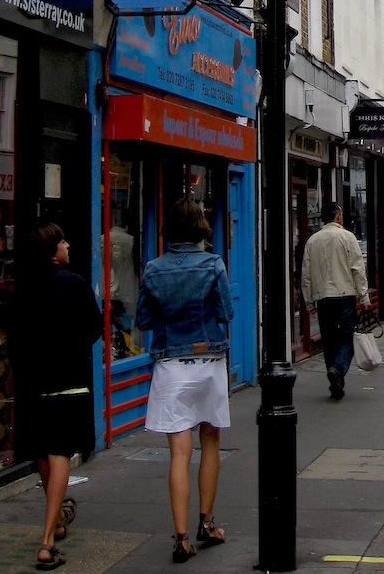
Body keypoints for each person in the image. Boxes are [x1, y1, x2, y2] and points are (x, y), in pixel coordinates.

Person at [136, 200, 233, 563]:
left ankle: (180, 538)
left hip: (171, 365)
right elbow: (226, 312)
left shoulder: (153, 269)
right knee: (210, 440)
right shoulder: (213, 264)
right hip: (208, 360)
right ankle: (206, 523)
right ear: (200, 229)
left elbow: (144, 321)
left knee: (179, 451)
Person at [15, 222, 103, 571]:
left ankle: (57, 520)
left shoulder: (24, 288)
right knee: (61, 453)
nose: (68, 245)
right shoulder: (75, 283)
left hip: (36, 382)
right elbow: (95, 327)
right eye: (64, 241)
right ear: (53, 250)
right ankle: (47, 541)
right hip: (69, 379)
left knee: (43, 453)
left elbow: (18, 334)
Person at [301, 202, 372, 401]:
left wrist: (308, 302)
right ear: (338, 216)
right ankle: (338, 369)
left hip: (323, 298)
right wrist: (364, 296)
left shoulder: (312, 241)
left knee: (329, 339)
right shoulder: (348, 237)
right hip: (345, 295)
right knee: (349, 334)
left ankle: (335, 381)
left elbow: (306, 275)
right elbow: (358, 269)